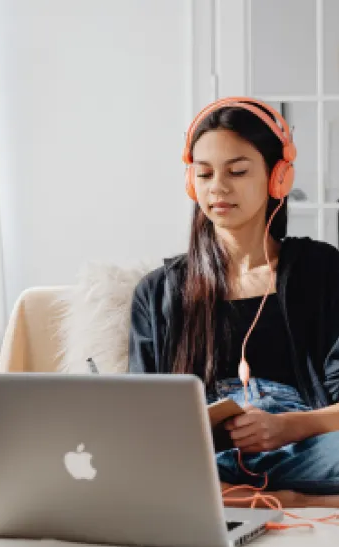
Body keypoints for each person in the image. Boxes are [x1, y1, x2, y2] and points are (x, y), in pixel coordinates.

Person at [128, 97, 339, 508]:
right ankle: (289, 500)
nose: (218, 188)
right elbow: (142, 416)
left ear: (278, 177)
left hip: (305, 444)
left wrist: (289, 427)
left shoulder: (323, 270)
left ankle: (232, 498)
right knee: (133, 467)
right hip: (207, 457)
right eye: (204, 174)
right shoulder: (158, 291)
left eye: (237, 171)